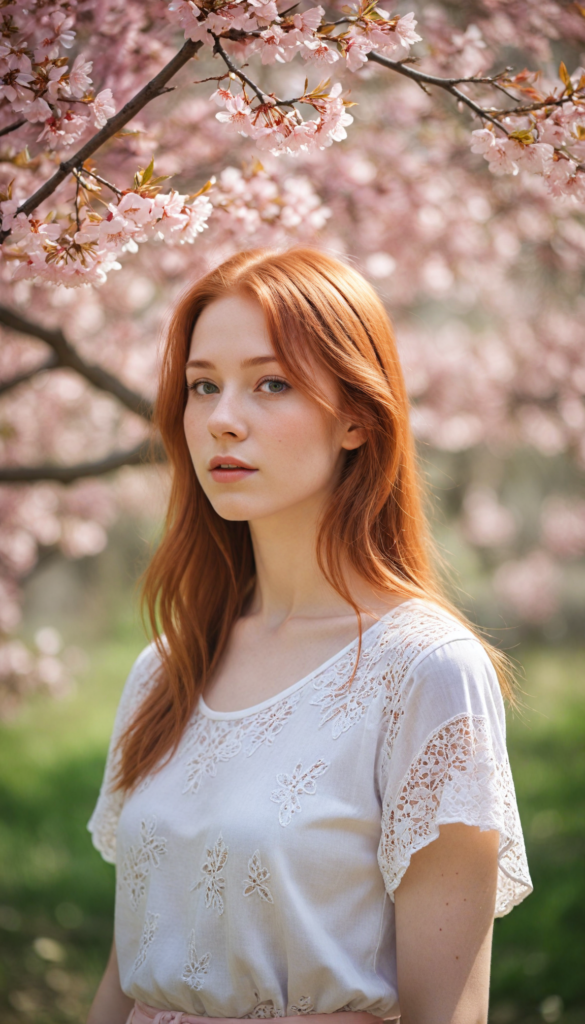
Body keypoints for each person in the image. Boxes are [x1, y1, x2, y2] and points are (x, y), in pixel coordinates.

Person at [86, 247, 532, 1024]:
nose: (223, 417)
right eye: (202, 386)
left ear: (357, 416)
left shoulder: (425, 671)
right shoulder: (166, 669)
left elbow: (448, 1008)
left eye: (271, 383)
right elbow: (130, 972)